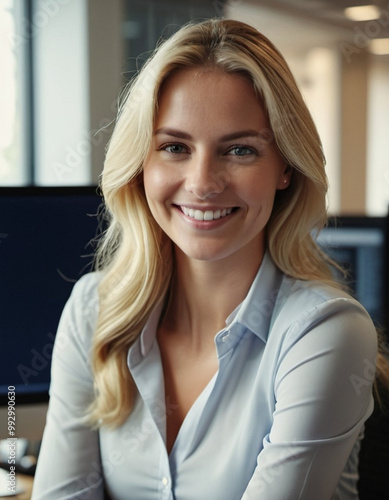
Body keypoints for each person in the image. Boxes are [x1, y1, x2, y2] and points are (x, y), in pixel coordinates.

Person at [31, 18, 378, 500]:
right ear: (141, 164)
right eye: (174, 147)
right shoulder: (94, 310)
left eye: (239, 150)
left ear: (284, 168)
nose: (202, 183)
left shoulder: (325, 332)